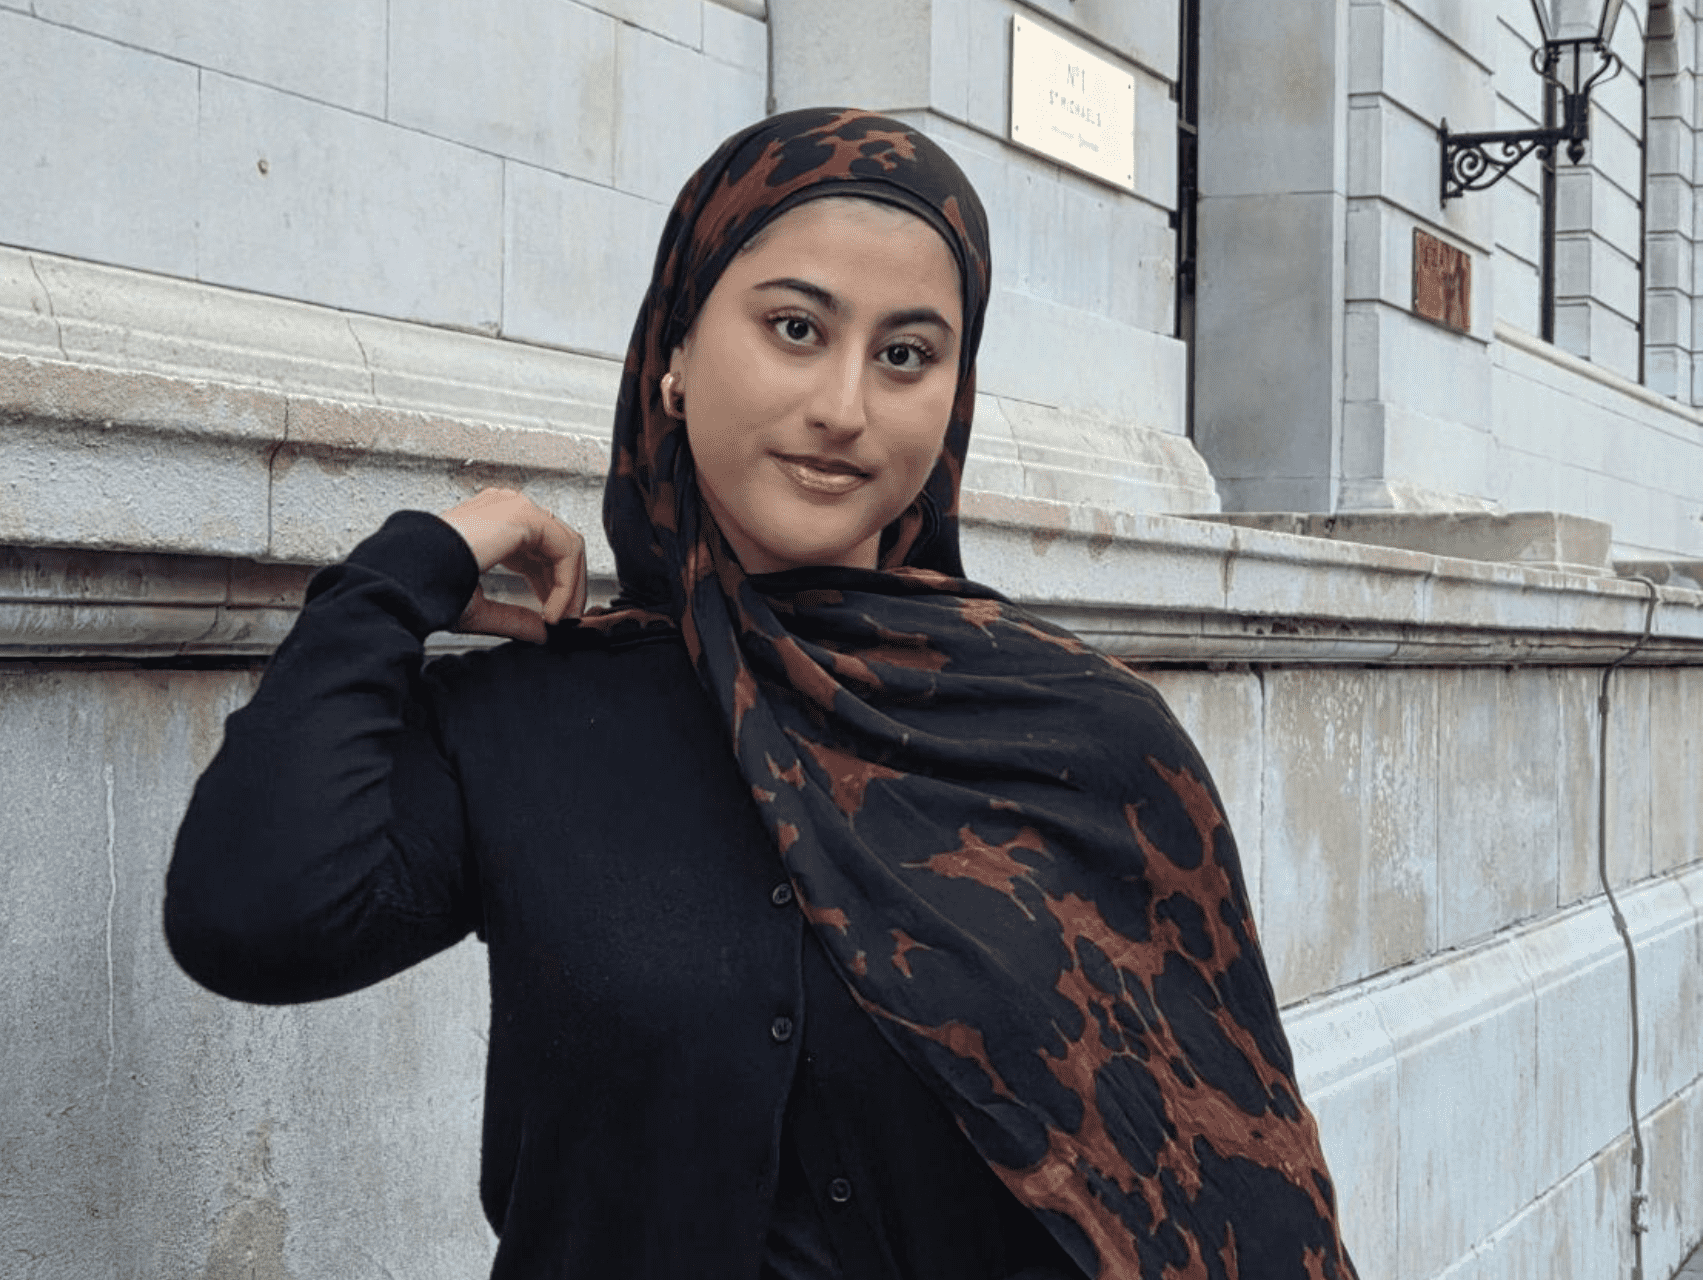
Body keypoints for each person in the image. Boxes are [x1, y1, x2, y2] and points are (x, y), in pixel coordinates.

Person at [166, 108, 1357, 1280]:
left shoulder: (1081, 739)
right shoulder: (533, 721)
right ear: (675, 356)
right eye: (795, 327)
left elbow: (1228, 1195)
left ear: (954, 400)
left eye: (907, 354)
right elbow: (253, 912)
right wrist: (411, 565)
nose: (845, 406)